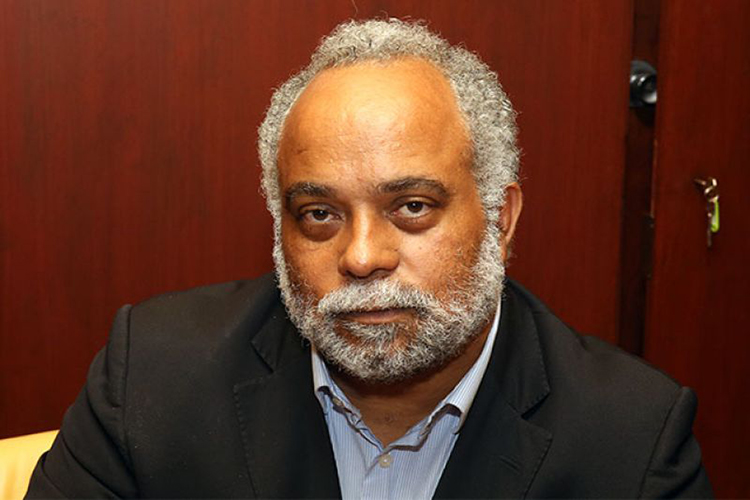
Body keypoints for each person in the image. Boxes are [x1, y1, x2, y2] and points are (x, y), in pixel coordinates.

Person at [27, 19, 712, 499]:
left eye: (411, 206)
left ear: (501, 220)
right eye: (319, 214)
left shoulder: (632, 440)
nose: (360, 257)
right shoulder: (153, 378)